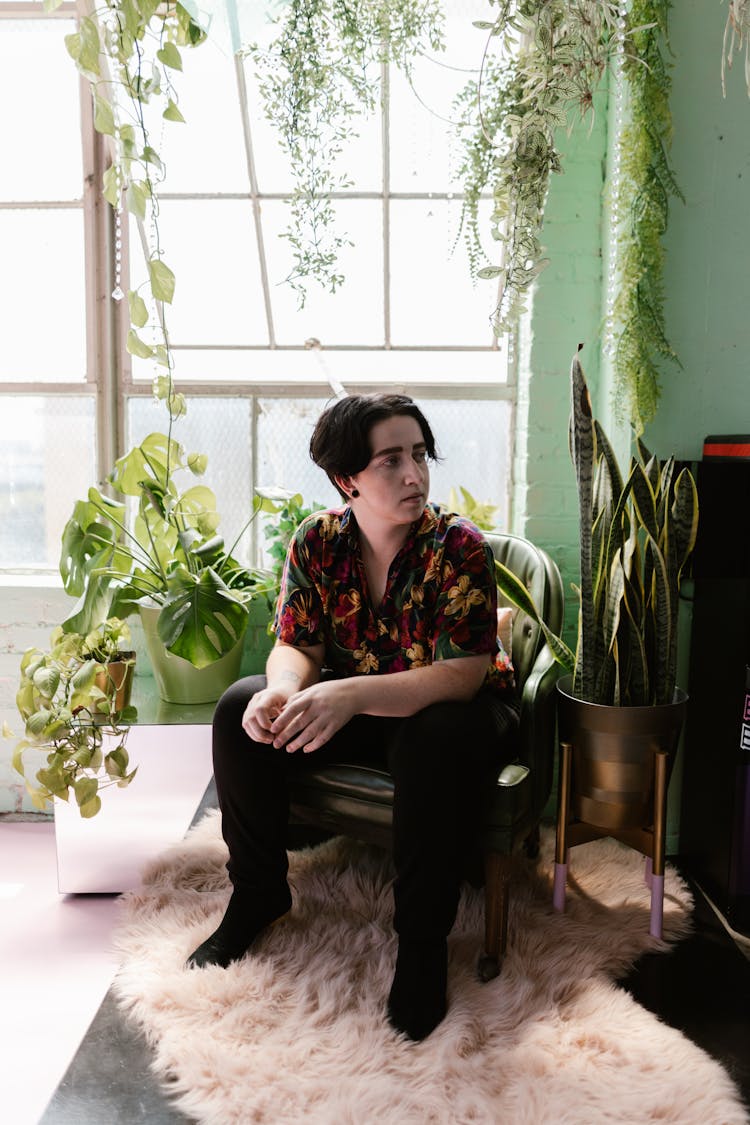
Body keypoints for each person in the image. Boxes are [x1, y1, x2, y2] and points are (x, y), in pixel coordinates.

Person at [187, 392, 519, 1041]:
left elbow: (462, 675)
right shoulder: (318, 541)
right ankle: (257, 892)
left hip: (461, 715)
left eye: (419, 455)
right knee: (237, 708)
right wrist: (281, 690)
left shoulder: (459, 547)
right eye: (391, 460)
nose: (414, 475)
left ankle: (422, 943)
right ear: (347, 478)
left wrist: (349, 693)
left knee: (433, 736)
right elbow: (297, 643)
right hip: (370, 705)